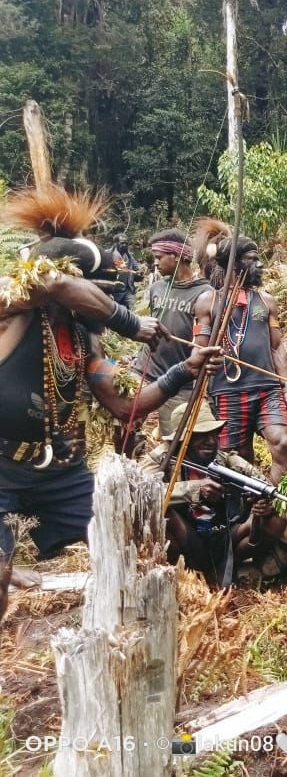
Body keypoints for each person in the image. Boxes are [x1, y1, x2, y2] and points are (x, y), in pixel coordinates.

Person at [0, 185, 173, 617]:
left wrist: (183, 373)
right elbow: (53, 280)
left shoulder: (82, 339)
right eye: (99, 291)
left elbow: (125, 406)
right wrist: (129, 322)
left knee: (124, 541)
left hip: (62, 472)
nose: (105, 299)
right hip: (1, 468)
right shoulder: (12, 305)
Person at [142, 403, 287, 586]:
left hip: (225, 536)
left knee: (275, 520)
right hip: (186, 537)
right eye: (201, 435)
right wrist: (193, 489)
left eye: (213, 434)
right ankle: (181, 574)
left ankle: (225, 569)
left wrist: (263, 506)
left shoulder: (226, 461)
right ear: (182, 439)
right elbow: (142, 493)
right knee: (163, 514)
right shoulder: (161, 459)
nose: (211, 441)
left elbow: (264, 486)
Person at [193, 220, 287, 483]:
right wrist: (203, 382)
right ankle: (249, 517)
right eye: (252, 259)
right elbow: (200, 350)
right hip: (227, 390)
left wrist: (286, 387)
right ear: (234, 264)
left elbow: (277, 346)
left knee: (283, 443)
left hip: (267, 388)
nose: (259, 265)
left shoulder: (265, 301)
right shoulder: (209, 301)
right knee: (237, 457)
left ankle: (280, 511)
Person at [134, 228, 212, 438]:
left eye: (159, 257)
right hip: (144, 370)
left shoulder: (204, 294)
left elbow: (201, 342)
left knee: (174, 440)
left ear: (176, 256)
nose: (155, 263)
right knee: (125, 426)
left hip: (179, 380)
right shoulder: (157, 288)